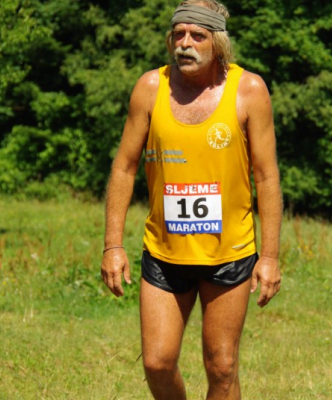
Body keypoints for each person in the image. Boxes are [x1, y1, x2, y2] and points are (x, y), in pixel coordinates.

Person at [101, 1, 282, 399]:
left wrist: (269, 256)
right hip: (164, 253)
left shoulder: (249, 90)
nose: (185, 43)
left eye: (197, 35)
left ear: (218, 43)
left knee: (222, 367)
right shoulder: (151, 88)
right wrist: (113, 245)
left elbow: (267, 177)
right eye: (178, 34)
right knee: (157, 363)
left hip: (229, 253)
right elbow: (124, 168)